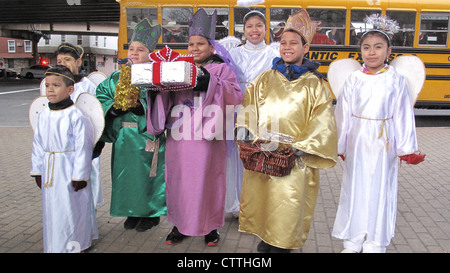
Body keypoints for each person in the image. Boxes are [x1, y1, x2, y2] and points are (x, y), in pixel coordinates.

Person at [235, 9, 337, 253]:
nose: (287, 47)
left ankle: (282, 244)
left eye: (294, 43)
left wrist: (302, 148)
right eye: (283, 43)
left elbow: (322, 120)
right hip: (263, 153)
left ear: (306, 48)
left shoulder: (316, 85)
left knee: (287, 203)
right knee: (263, 197)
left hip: (293, 157)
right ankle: (266, 237)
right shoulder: (264, 78)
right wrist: (245, 130)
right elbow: (250, 105)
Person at [146, 9, 243, 246]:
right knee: (179, 181)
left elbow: (236, 95)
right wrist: (155, 88)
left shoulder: (221, 69)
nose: (195, 48)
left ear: (212, 48)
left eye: (201, 43)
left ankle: (210, 229)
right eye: (191, 44)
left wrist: (210, 82)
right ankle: (180, 226)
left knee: (208, 182)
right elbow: (165, 98)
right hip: (180, 136)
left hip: (207, 138)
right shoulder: (178, 68)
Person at [332, 27, 425, 253]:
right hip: (358, 139)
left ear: (388, 51)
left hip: (384, 142)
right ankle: (353, 240)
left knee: (380, 188)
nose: (371, 52)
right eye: (366, 47)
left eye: (378, 47)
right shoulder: (354, 79)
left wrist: (405, 147)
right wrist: (340, 144)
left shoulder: (396, 80)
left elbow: (403, 114)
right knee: (355, 188)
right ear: (360, 51)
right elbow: (343, 113)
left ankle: (375, 241)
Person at [96, 19, 167, 232]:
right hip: (123, 136)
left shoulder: (157, 77)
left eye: (141, 49)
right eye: (132, 49)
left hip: (147, 134)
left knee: (149, 175)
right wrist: (112, 109)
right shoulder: (116, 77)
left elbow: (166, 101)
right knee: (124, 174)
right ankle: (130, 211)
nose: (134, 53)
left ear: (150, 53)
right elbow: (100, 95)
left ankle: (150, 214)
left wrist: (143, 107)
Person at [30, 65, 98, 253]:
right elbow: (38, 144)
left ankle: (77, 244)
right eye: (48, 85)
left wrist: (80, 175)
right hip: (50, 170)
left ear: (70, 89)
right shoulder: (43, 115)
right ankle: (54, 245)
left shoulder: (76, 116)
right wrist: (37, 169)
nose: (50, 90)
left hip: (69, 170)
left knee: (71, 209)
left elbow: (83, 148)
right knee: (52, 210)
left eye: (56, 85)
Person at [225, 10, 279, 217]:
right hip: (237, 108)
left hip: (263, 110)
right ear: (243, 29)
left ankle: (258, 206)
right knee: (237, 156)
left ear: (266, 29)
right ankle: (237, 204)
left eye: (258, 25)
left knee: (260, 155)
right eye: (249, 26)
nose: (254, 30)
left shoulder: (274, 54)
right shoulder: (234, 54)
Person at [53, 43, 104, 207]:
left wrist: (97, 143)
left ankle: (89, 216)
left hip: (85, 145)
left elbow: (96, 116)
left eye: (67, 59)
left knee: (87, 181)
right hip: (62, 147)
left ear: (78, 62)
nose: (62, 63)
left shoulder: (87, 86)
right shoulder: (53, 86)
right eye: (59, 60)